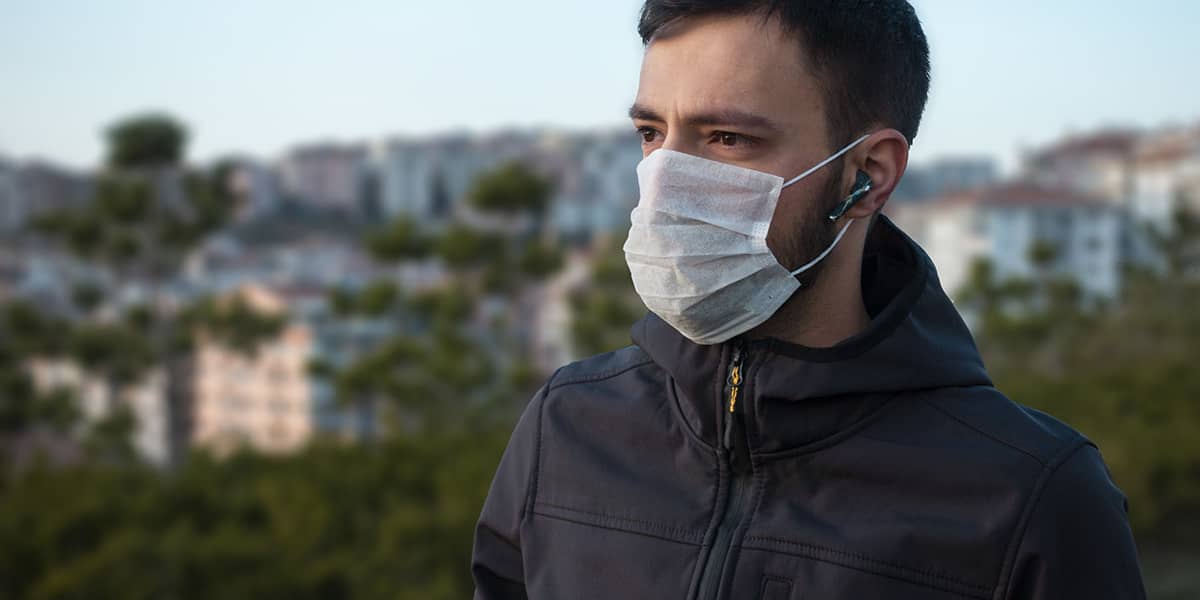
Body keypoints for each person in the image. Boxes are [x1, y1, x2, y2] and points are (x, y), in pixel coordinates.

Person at [471, 1, 1147, 598]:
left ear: (868, 175)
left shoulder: (1032, 497)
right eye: (652, 134)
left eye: (727, 139)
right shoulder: (567, 426)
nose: (663, 185)